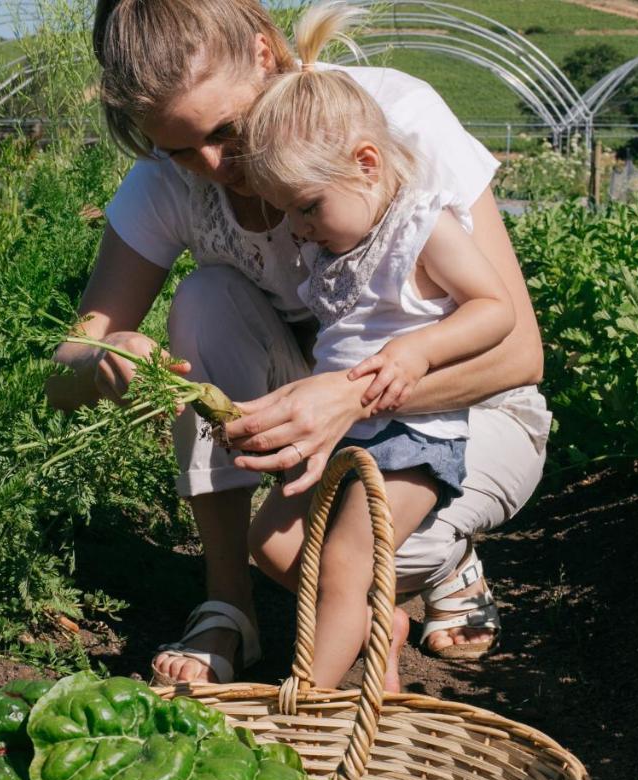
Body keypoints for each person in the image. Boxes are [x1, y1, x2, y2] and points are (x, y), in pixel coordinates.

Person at [46, 0, 550, 686]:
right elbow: (62, 369)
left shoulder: (385, 121)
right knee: (204, 300)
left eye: (225, 130)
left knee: (351, 553)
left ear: (264, 53)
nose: (214, 164)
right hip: (337, 414)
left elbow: (520, 351)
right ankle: (228, 604)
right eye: (179, 149)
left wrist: (352, 397)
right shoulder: (170, 184)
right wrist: (105, 357)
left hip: (464, 409)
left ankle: (439, 559)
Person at [240, 3, 515, 692]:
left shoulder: (422, 228)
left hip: (410, 435)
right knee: (269, 543)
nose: (296, 230)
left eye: (305, 207)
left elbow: (495, 310)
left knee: (345, 558)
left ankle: (305, 701)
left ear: (366, 164)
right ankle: (378, 627)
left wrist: (420, 351)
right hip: (345, 434)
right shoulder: (338, 243)